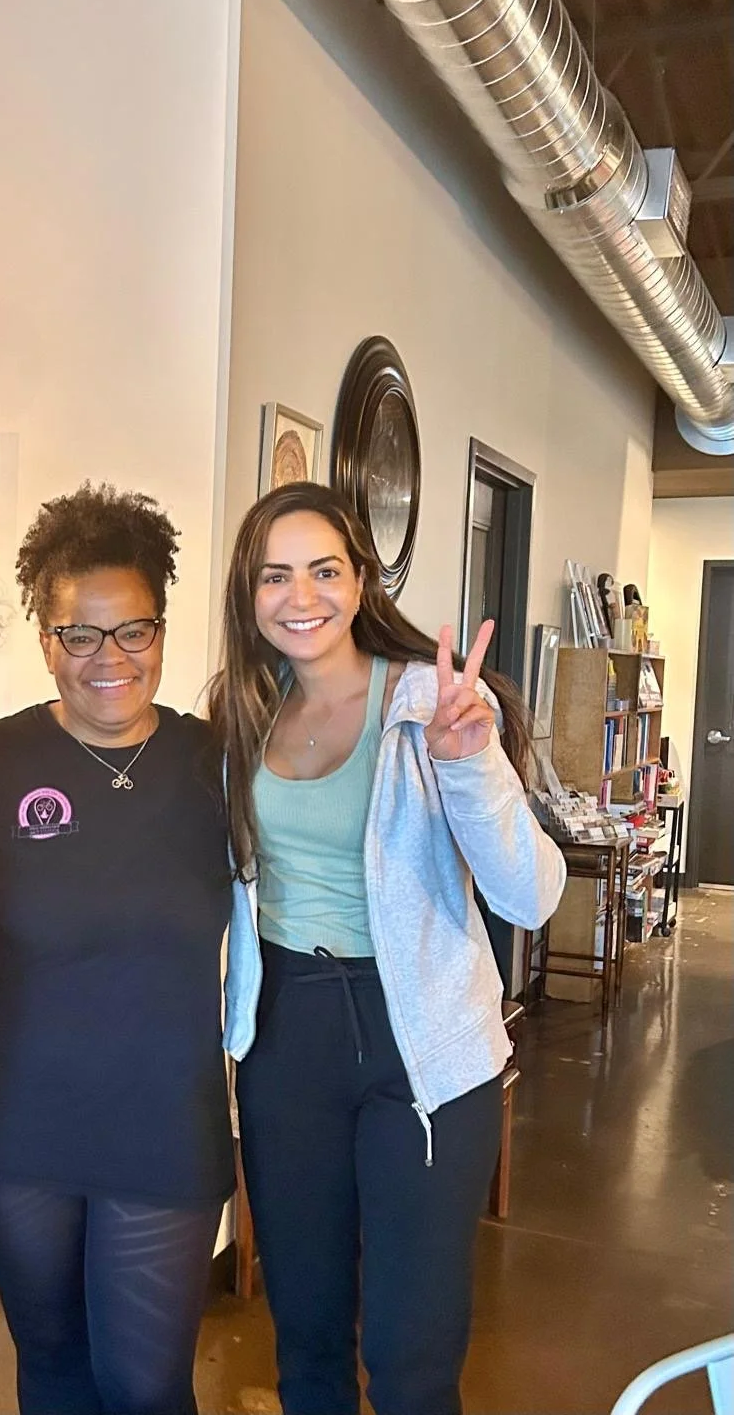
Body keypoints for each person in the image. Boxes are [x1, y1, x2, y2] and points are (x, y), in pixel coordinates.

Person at [211, 482, 565, 1415]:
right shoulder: (241, 709)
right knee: (308, 1333)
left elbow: (529, 892)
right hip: (286, 1037)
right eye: (274, 574)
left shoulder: (433, 705)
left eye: (324, 569)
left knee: (411, 1355)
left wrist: (469, 760)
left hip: (424, 1045)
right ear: (247, 594)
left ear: (362, 579)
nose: (302, 596)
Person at [0, 482, 234, 1415]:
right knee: (55, 1370)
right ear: (44, 639)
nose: (107, 658)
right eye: (80, 634)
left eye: (133, 631)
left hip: (163, 1128)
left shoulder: (217, 763)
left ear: (160, 629)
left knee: (146, 1388)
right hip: (17, 1127)